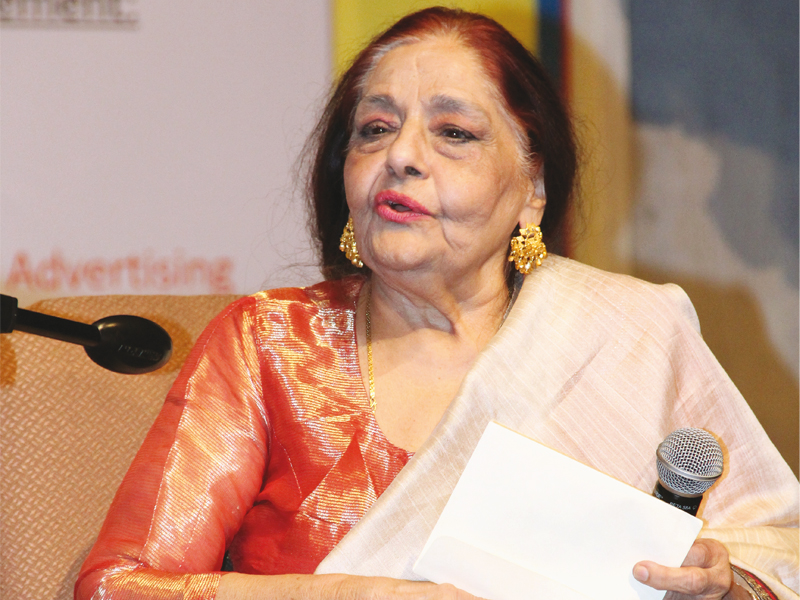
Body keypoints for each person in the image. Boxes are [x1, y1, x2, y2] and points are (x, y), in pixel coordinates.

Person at [75, 7, 798, 600]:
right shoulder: (269, 344)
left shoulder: (628, 337)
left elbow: (779, 554)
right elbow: (119, 588)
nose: (403, 155)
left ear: (532, 191)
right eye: (376, 129)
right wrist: (366, 596)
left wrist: (727, 586)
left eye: (453, 133)